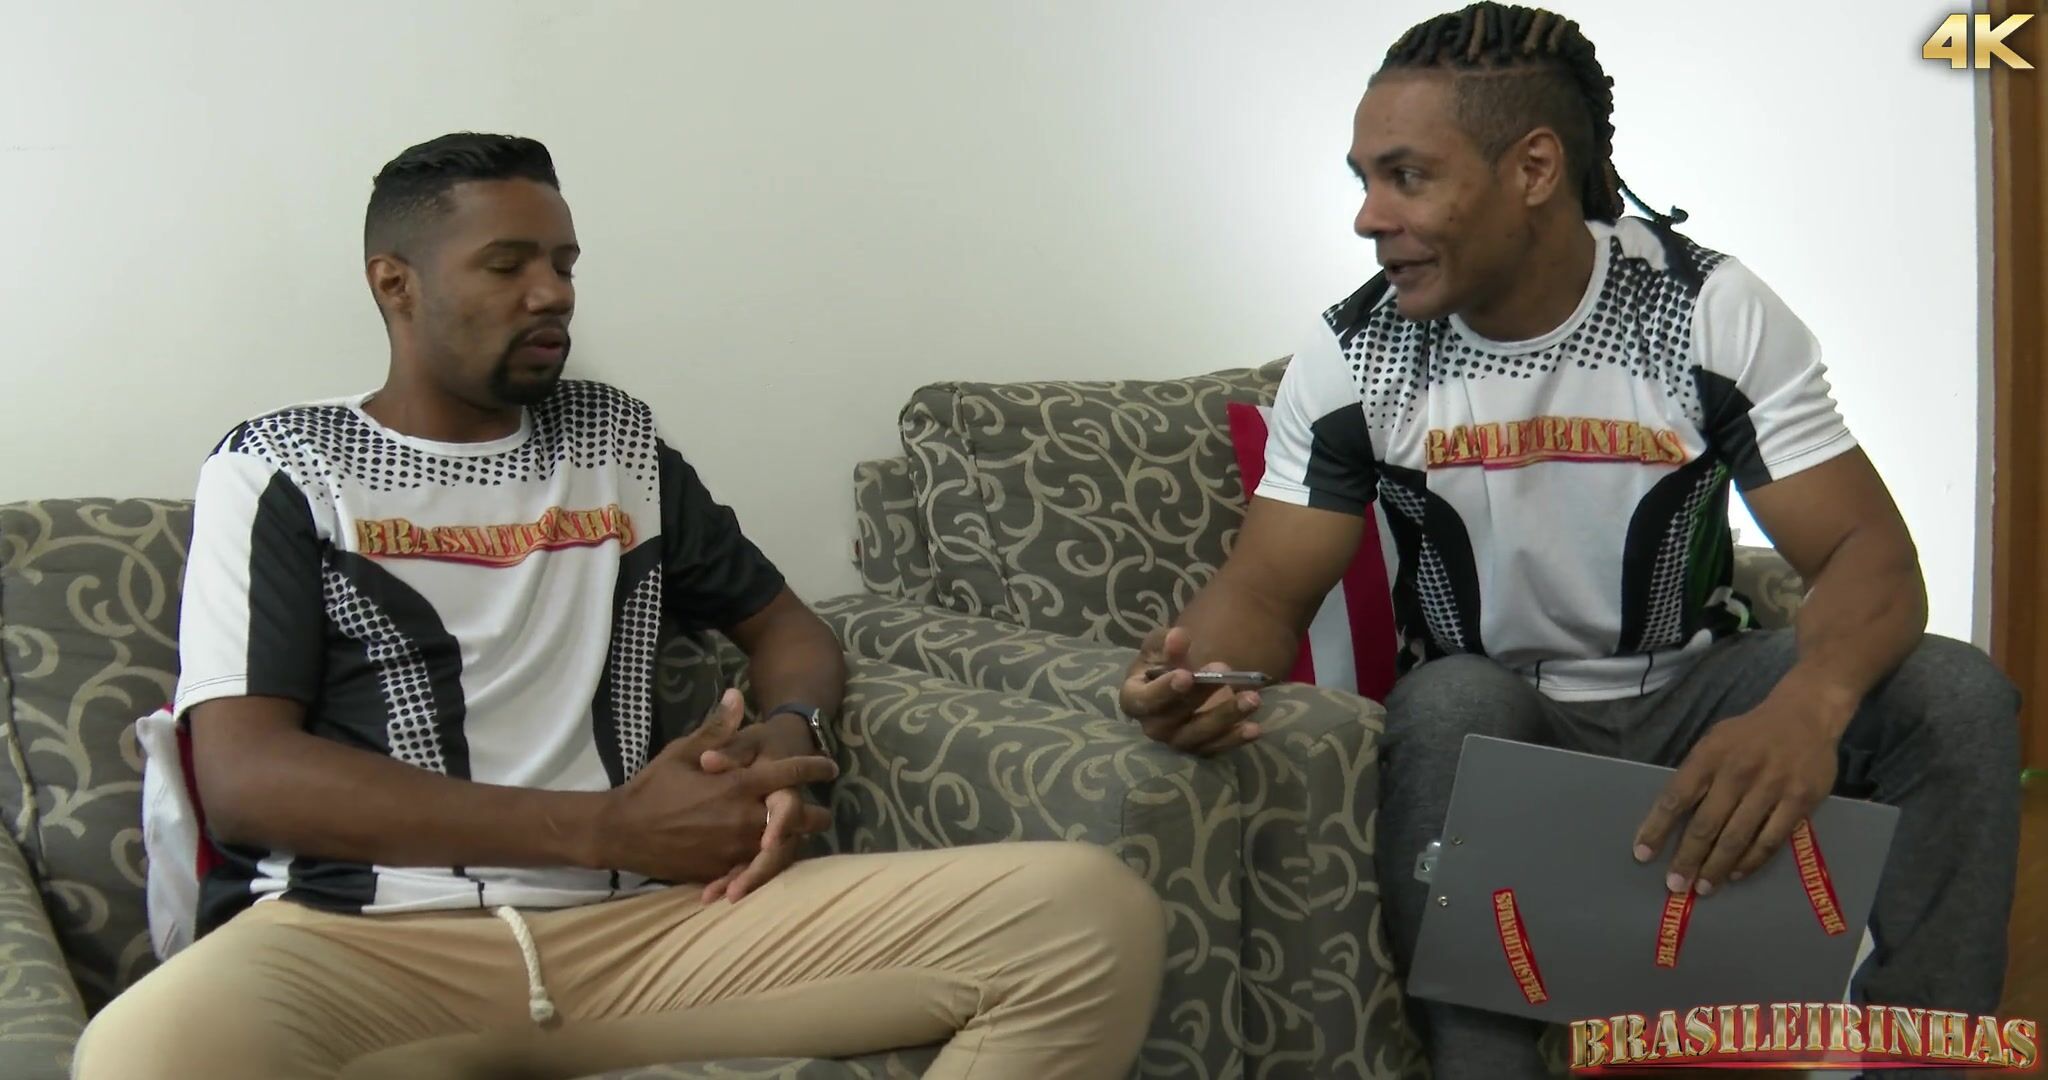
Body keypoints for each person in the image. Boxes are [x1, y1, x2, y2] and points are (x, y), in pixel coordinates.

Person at [74, 132, 1165, 1080]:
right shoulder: (283, 464)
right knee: (145, 1056)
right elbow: (248, 778)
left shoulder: (615, 443)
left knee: (1086, 915)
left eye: (563, 264)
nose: (551, 292)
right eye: (507, 263)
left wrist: (790, 735)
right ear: (395, 283)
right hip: (364, 943)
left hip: (641, 932)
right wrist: (606, 825)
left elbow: (788, 631)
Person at [1118, 4, 2021, 1077]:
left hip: (1693, 689)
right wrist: (1190, 677)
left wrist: (1806, 708)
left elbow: (1869, 554)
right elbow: (1264, 595)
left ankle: (1922, 1058)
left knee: (1953, 695)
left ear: (1533, 169)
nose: (1368, 216)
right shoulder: (1358, 353)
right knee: (1451, 701)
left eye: (1406, 177)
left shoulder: (1702, 310)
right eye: (1363, 179)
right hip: (1500, 715)